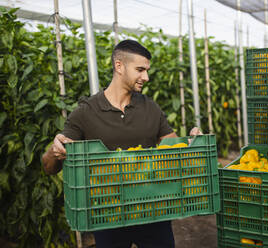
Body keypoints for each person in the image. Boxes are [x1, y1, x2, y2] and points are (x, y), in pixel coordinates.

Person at [42, 39, 201, 248]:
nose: (146, 77)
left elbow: (170, 144)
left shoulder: (150, 107)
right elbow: (49, 167)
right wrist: (55, 152)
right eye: (140, 70)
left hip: (153, 210)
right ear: (119, 66)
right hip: (109, 216)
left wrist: (190, 141)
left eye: (147, 70)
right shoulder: (85, 113)